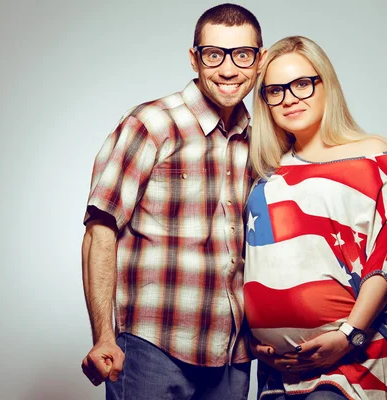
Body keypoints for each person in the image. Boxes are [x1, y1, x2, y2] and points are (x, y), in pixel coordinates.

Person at [80, 4, 267, 399]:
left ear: (260, 60)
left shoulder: (261, 142)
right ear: (194, 58)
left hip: (233, 353)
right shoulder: (151, 124)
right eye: (214, 54)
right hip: (154, 344)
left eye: (243, 55)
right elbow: (100, 232)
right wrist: (103, 336)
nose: (229, 69)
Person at [244, 36, 387, 400]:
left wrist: (348, 335)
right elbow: (251, 262)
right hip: (276, 369)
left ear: (326, 84)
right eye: (274, 90)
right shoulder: (265, 174)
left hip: (349, 362)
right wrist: (252, 342)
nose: (289, 98)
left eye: (302, 84)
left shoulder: (374, 159)